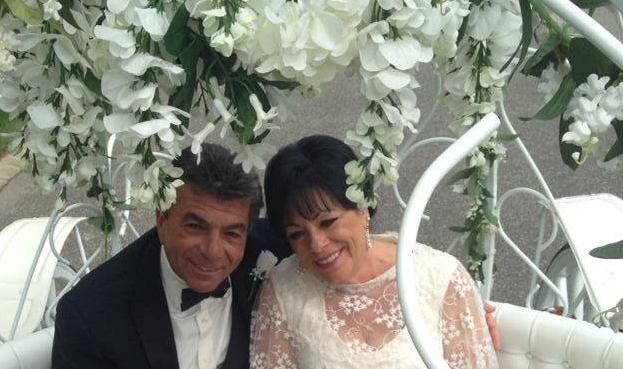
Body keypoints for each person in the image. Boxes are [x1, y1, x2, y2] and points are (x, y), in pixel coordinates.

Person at [251, 135, 499, 368]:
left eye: (328, 222)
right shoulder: (284, 291)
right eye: (297, 234)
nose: (317, 244)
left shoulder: (439, 278)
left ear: (364, 207)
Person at [52, 143, 287, 369]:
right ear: (161, 221)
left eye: (232, 233)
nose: (212, 251)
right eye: (195, 226)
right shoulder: (90, 317)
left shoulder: (273, 251)